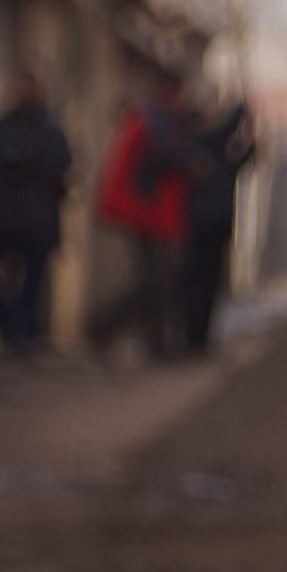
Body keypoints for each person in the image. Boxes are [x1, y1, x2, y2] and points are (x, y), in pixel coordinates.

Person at [84, 69, 209, 361]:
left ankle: (154, 342)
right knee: (157, 275)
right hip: (145, 210)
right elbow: (164, 153)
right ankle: (104, 326)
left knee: (158, 276)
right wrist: (192, 163)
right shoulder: (153, 118)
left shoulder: (155, 118)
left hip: (150, 210)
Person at [0, 69, 74, 358]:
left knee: (32, 282)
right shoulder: (0, 127)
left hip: (36, 220)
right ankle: (8, 333)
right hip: (2, 218)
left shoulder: (50, 131)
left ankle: (24, 337)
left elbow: (60, 165)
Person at [177, 94, 256, 355]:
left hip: (218, 226)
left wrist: (250, 129)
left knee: (210, 284)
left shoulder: (222, 159)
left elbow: (245, 157)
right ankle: (191, 335)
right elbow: (225, 130)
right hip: (198, 226)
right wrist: (241, 107)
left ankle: (200, 337)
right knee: (195, 283)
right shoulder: (198, 144)